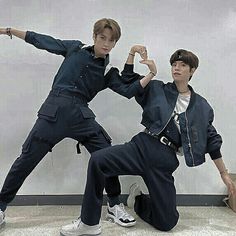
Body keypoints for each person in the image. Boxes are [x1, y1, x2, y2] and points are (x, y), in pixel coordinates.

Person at [60, 49, 236, 235]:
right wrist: (132, 56)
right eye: (174, 64)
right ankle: (88, 223)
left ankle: (136, 200)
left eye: (183, 65)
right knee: (98, 160)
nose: (177, 68)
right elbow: (129, 82)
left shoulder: (202, 107)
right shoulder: (157, 88)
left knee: (168, 222)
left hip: (165, 160)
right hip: (142, 146)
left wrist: (223, 173)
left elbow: (212, 140)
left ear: (192, 71)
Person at [0, 18, 156, 228]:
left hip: (82, 115)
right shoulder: (74, 48)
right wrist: (9, 30)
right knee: (27, 158)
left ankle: (114, 205)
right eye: (102, 38)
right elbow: (41, 40)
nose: (106, 44)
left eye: (111, 41)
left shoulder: (107, 73)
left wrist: (151, 74)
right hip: (54, 111)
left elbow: (129, 90)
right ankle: (0, 206)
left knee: (107, 154)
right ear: (94, 36)